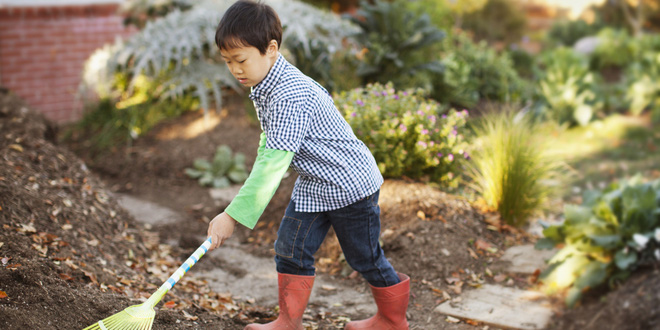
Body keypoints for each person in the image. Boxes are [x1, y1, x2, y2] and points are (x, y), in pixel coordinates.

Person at [207, 1, 409, 329]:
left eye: (241, 60)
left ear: (271, 49)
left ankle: (391, 320)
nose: (235, 70)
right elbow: (271, 144)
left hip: (349, 185)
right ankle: (288, 322)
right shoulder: (268, 85)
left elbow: (273, 164)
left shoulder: (290, 95)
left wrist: (232, 216)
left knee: (365, 259)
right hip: (316, 185)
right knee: (290, 248)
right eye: (228, 62)